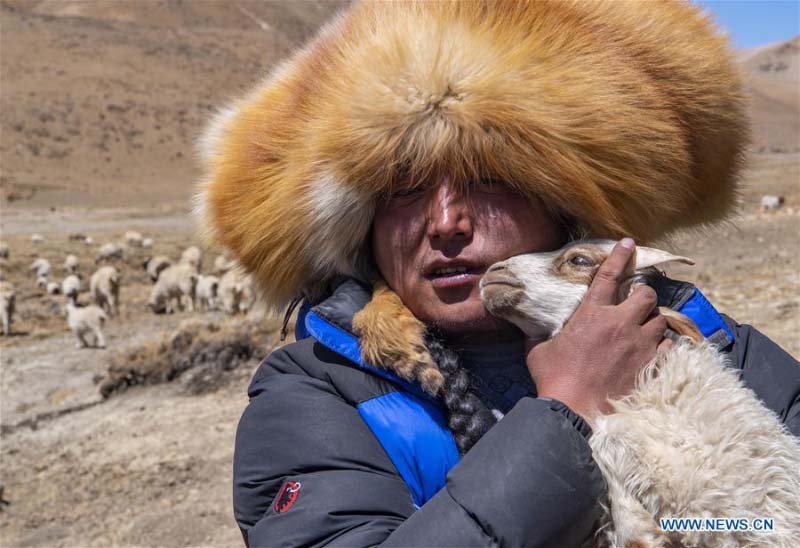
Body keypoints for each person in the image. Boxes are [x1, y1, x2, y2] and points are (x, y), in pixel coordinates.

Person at [196, 2, 800, 546]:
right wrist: (568, 408)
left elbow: (768, 518)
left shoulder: (702, 340)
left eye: (490, 179)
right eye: (402, 189)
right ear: (364, 227)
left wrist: (688, 526)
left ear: (561, 206)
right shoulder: (318, 397)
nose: (446, 223)